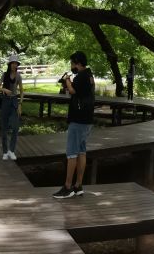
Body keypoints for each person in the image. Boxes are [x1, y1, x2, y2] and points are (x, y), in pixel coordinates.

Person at [53, 51, 94, 199]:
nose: (71, 66)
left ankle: (68, 187)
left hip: (78, 121)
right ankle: (78, 185)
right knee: (81, 152)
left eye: (72, 63)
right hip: (87, 120)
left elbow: (72, 90)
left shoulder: (81, 76)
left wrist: (67, 80)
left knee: (71, 154)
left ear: (77, 62)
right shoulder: (89, 75)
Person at [0, 54, 24, 161]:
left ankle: (11, 150)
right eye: (12, 63)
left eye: (16, 63)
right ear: (9, 64)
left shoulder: (18, 76)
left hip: (14, 102)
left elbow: (22, 91)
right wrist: (4, 89)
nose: (14, 65)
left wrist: (20, 104)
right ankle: (5, 152)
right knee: (4, 128)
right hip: (5, 102)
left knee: (15, 127)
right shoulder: (4, 75)